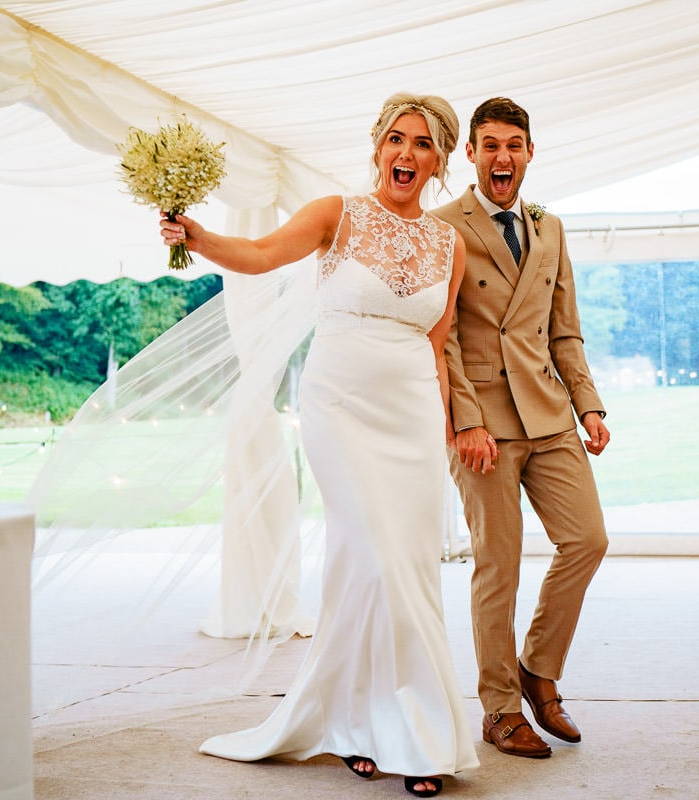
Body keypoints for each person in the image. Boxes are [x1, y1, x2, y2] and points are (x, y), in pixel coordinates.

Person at [159, 93, 479, 797]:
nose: (407, 153)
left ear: (439, 162)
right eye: (396, 139)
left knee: (397, 570)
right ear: (377, 147)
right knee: (378, 559)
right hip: (340, 410)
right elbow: (262, 253)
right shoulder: (337, 214)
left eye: (423, 144)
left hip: (414, 419)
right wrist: (199, 237)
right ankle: (421, 741)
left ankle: (353, 725)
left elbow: (438, 344)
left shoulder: (450, 245)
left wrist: (451, 428)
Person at [432, 97, 610, 759]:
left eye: (513, 145)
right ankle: (500, 709)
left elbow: (564, 329)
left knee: (588, 539)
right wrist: (464, 422)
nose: (501, 157)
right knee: (497, 569)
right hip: (483, 426)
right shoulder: (440, 226)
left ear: (529, 153)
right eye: (489, 145)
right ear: (471, 155)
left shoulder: (550, 227)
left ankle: (538, 668)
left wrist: (588, 406)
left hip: (550, 415)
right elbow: (440, 334)